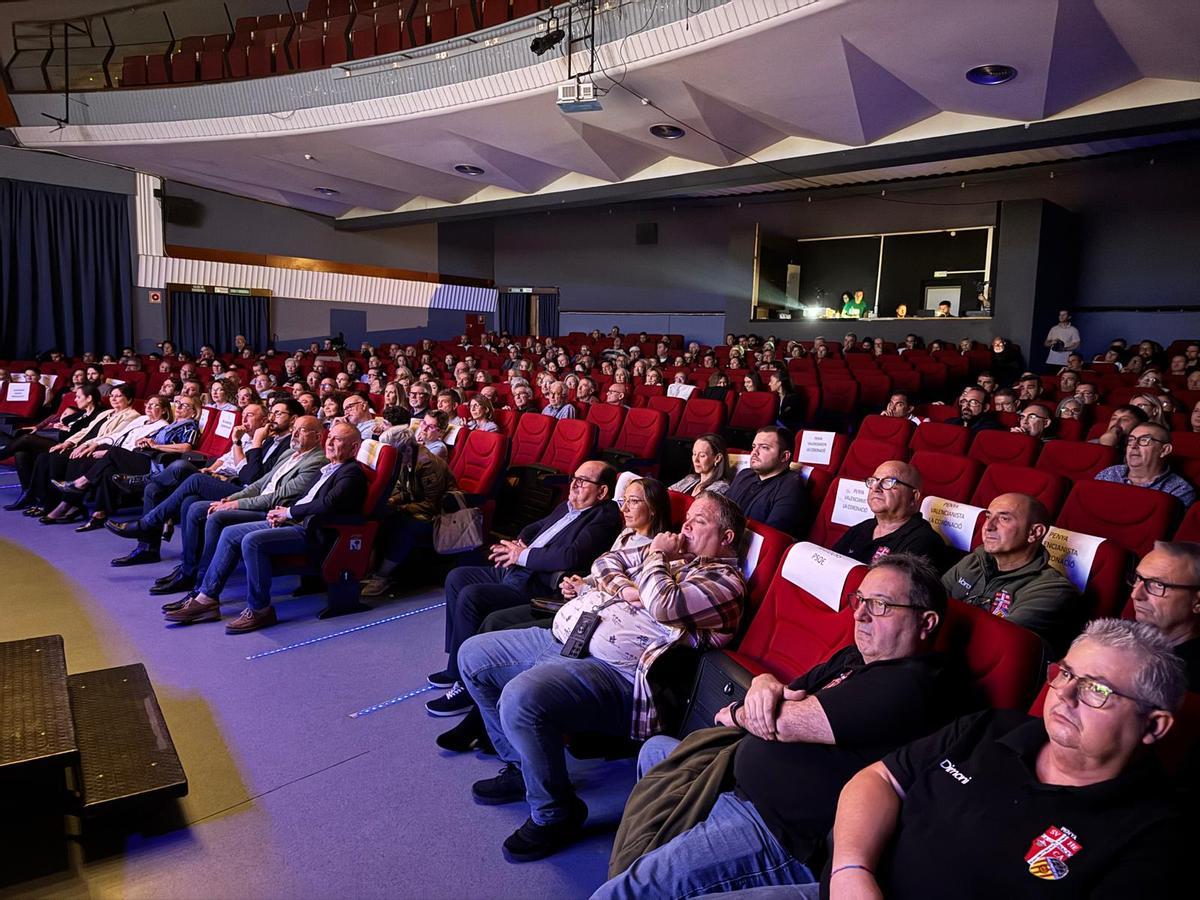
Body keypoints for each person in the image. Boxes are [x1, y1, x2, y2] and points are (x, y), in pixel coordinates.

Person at [596, 555, 964, 899]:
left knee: (623, 892)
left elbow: (781, 722)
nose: (861, 616)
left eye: (880, 605)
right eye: (859, 600)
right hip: (733, 776)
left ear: (926, 622)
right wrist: (761, 683)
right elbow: (786, 691)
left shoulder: (915, 683)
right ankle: (665, 853)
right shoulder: (855, 656)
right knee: (655, 749)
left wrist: (740, 713)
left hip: (775, 829)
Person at [459, 491, 747, 862]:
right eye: (687, 517)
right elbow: (605, 563)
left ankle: (555, 813)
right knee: (473, 655)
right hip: (568, 637)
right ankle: (521, 766)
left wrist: (655, 560)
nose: (686, 526)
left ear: (726, 538)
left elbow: (662, 603)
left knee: (520, 698)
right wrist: (631, 588)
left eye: (700, 521)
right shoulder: (676, 559)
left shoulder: (726, 583)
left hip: (617, 674)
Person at [828, 619, 1186, 899]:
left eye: (1097, 689)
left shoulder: (1153, 838)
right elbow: (880, 779)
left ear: (1153, 726)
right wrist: (850, 872)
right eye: (1065, 673)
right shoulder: (991, 726)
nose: (1065, 694)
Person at [426, 461, 623, 716]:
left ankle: (466, 686)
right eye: (574, 477)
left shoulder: (603, 517)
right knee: (457, 577)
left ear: (603, 492)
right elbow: (536, 528)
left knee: (471, 596)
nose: (574, 484)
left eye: (584, 481)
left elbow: (570, 556)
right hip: (516, 568)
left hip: (536, 583)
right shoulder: (567, 506)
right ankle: (455, 667)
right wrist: (518, 544)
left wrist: (522, 555)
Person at [164, 422, 368, 634]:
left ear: (354, 448)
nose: (330, 442)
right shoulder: (329, 467)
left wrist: (288, 513)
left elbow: (328, 504)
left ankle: (260, 610)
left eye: (338, 440)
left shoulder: (351, 473)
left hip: (315, 532)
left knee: (251, 541)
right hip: (294, 520)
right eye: (330, 437)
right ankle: (206, 598)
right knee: (230, 533)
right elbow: (306, 497)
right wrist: (284, 511)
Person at [106, 399, 302, 565]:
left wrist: (246, 443)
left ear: (293, 419)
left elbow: (251, 479)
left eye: (278, 413)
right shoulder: (269, 439)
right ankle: (153, 550)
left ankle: (148, 524)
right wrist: (216, 468)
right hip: (229, 479)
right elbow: (237, 466)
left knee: (186, 472)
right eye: (272, 413)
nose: (271, 418)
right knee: (160, 491)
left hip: (246, 491)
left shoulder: (277, 443)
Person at [942, 493, 1081, 658]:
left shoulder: (1052, 589)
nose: (988, 527)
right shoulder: (975, 559)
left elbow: (992, 642)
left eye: (1004, 519)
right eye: (988, 516)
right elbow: (930, 600)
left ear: (1034, 532)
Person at [50, 396, 201, 531]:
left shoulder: (189, 425)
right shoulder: (171, 425)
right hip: (145, 455)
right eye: (179, 403)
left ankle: (81, 483)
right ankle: (99, 514)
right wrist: (146, 441)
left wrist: (155, 446)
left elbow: (186, 447)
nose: (179, 407)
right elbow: (150, 440)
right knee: (108, 470)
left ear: (193, 412)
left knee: (114, 452)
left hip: (157, 464)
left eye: (185, 405)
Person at [360, 427, 458, 598]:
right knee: (380, 518)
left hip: (441, 517)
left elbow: (431, 505)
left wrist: (399, 508)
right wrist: (392, 501)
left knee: (404, 529)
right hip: (416, 508)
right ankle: (369, 568)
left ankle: (382, 576)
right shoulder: (406, 459)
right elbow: (405, 490)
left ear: (405, 448)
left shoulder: (426, 463)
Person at [832, 462, 946, 565]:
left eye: (888, 482)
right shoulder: (863, 527)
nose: (875, 488)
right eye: (873, 480)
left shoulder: (923, 542)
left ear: (913, 497)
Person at [1129, 541, 1200, 689]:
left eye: (1158, 585)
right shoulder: (1123, 636)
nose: (1135, 594)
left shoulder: (1181, 683)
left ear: (1197, 601)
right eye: (1138, 579)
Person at [727, 426, 808, 537]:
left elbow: (771, 535)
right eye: (754, 447)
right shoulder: (744, 474)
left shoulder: (791, 486)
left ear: (784, 456)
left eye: (764, 447)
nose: (754, 452)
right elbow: (721, 511)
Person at [1095, 422, 1195, 508]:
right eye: (1130, 440)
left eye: (1144, 440)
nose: (1133, 446)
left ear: (1164, 450)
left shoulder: (1180, 490)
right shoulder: (1109, 473)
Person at [669, 433, 731, 497]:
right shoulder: (691, 478)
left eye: (702, 455)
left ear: (717, 458)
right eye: (694, 454)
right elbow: (666, 495)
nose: (695, 460)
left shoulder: (721, 487)